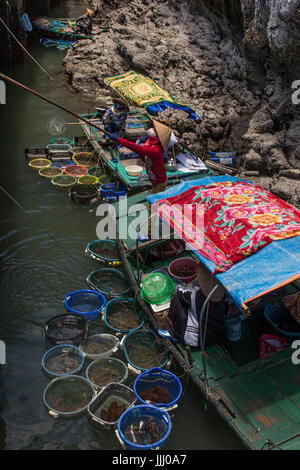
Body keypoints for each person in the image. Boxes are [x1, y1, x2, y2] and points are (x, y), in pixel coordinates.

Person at [109, 119, 170, 237]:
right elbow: (141, 151)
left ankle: (149, 233)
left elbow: (138, 149)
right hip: (155, 178)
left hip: (159, 182)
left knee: (152, 207)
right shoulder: (151, 142)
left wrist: (119, 140)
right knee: (155, 203)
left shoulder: (155, 149)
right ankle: (158, 216)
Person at [167, 263, 228, 349]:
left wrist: (187, 286)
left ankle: (175, 334)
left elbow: (180, 292)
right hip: (214, 335)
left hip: (195, 340)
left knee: (177, 301)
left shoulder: (194, 295)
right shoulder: (223, 295)